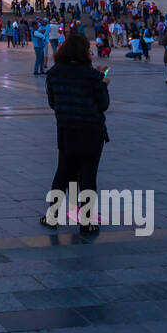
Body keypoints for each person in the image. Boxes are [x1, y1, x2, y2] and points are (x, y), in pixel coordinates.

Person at [42, 32, 110, 234]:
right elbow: (103, 105)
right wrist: (103, 83)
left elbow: (53, 103)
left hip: (66, 131)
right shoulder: (93, 76)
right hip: (91, 132)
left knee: (63, 172)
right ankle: (86, 222)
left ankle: (52, 217)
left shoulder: (54, 73)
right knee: (88, 175)